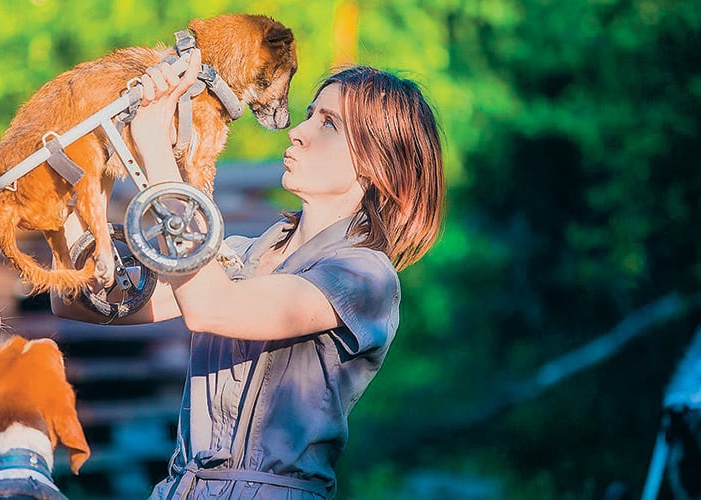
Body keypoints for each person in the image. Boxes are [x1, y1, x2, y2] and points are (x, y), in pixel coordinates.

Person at [52, 48, 445, 499]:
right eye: (310, 115)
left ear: (378, 165)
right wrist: (74, 170)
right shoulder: (235, 256)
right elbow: (77, 301)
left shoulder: (365, 278)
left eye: (329, 124)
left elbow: (210, 309)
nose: (297, 132)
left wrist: (156, 149)